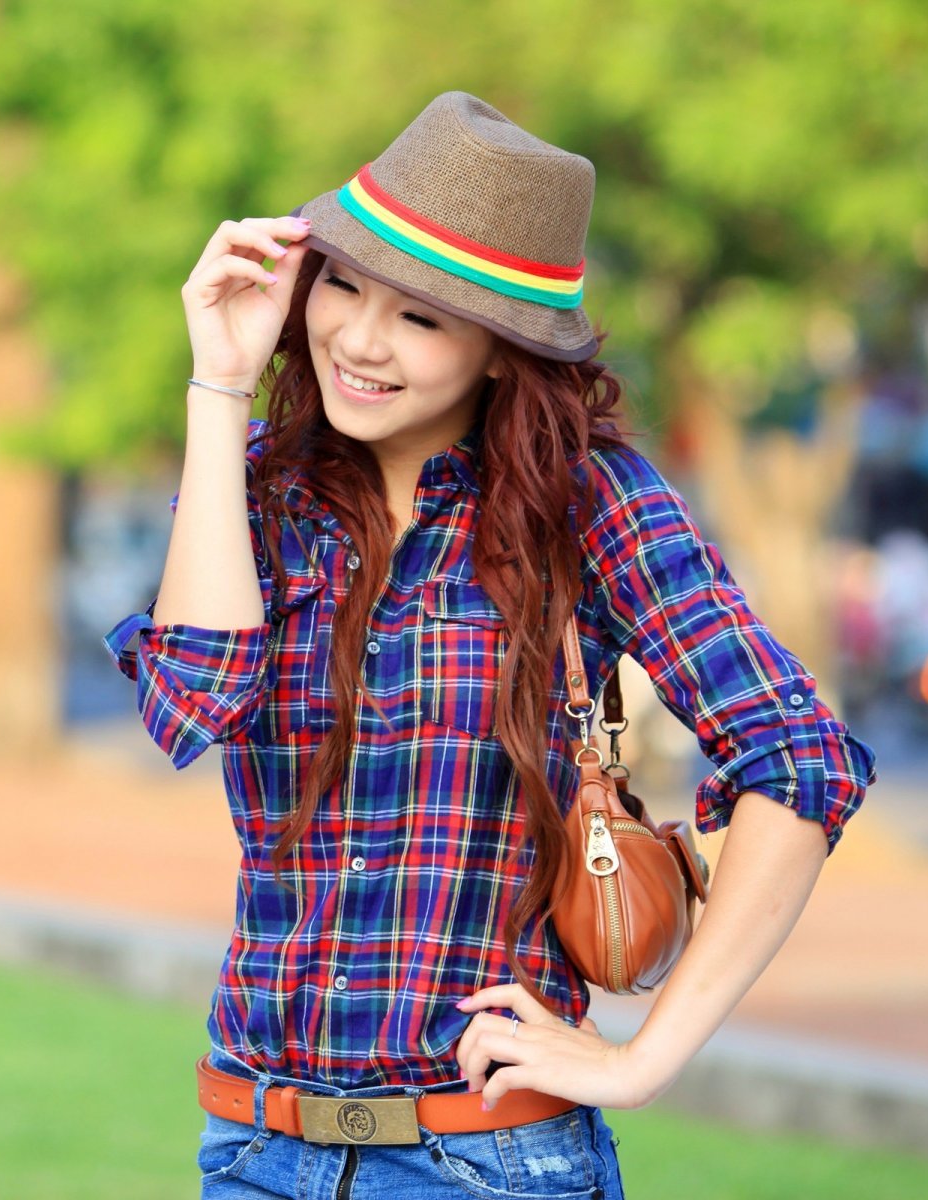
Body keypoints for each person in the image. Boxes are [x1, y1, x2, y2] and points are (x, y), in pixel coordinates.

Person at [100, 92, 877, 1199]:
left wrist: (641, 1060)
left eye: (421, 319)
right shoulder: (261, 486)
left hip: (485, 1163)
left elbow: (801, 759)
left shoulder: (587, 502)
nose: (359, 341)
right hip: (254, 1151)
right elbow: (193, 704)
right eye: (345, 287)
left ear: (503, 352)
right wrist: (220, 388)